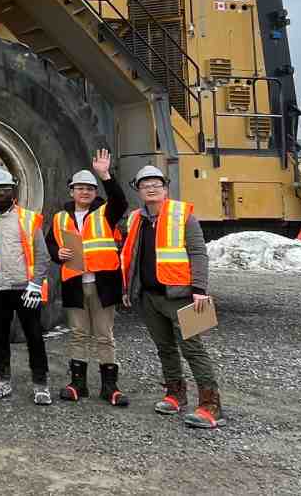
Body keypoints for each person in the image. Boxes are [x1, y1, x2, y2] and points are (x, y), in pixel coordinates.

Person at [119, 165, 222, 428]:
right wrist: (128, 290)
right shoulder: (135, 219)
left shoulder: (182, 215)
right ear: (139, 190)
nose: (151, 188)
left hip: (183, 296)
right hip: (150, 298)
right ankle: (175, 395)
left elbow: (199, 253)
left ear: (165, 188)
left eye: (156, 184)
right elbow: (130, 257)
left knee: (194, 349)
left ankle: (211, 406)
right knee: (164, 348)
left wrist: (200, 290)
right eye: (145, 185)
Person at [46, 150, 129, 406]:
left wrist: (105, 175)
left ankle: (110, 387)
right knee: (78, 334)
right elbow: (50, 245)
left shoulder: (106, 212)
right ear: (71, 191)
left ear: (95, 192)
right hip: (75, 285)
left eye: (89, 188)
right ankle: (78, 385)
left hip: (103, 285)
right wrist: (57, 254)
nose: (84, 192)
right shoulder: (60, 218)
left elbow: (120, 200)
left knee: (105, 335)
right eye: (79, 188)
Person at [0, 168, 52, 405]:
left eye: (5, 189)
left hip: (25, 290)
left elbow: (43, 256)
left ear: (13, 191)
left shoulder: (28, 219)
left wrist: (36, 284)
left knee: (35, 336)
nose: (0, 193)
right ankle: (1, 379)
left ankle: (41, 383)